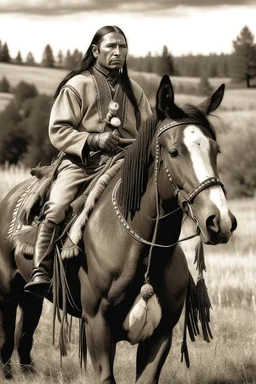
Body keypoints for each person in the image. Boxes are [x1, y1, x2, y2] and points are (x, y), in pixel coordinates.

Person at [24, 25, 152, 298]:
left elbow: (148, 131)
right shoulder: (77, 85)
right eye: (111, 46)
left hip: (125, 162)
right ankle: (41, 270)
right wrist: (94, 140)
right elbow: (58, 130)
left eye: (122, 46)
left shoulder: (135, 91)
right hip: (81, 163)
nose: (118, 52)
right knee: (57, 206)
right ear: (95, 51)